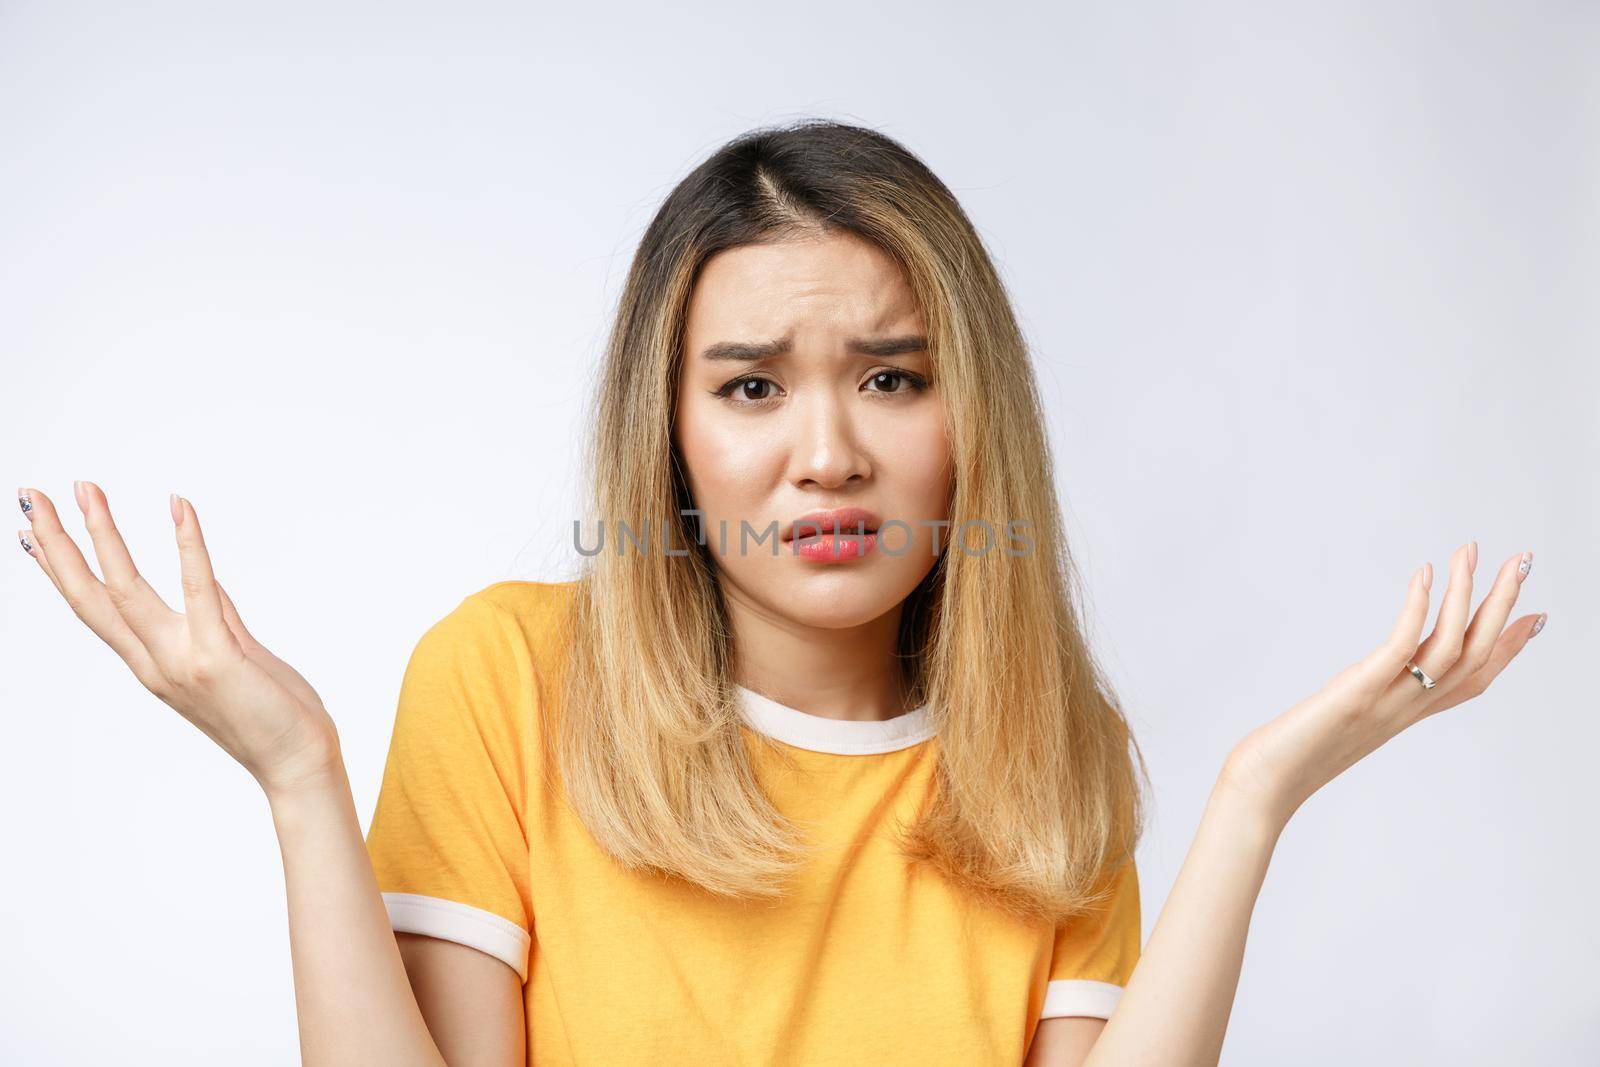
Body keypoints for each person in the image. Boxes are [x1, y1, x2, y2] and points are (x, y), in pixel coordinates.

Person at [15, 119, 1546, 1067]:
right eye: (751, 387)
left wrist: (1251, 806)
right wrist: (299, 780)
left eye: (893, 377)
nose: (829, 455)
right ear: (670, 436)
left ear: (974, 420)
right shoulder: (508, 676)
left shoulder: (1046, 756)